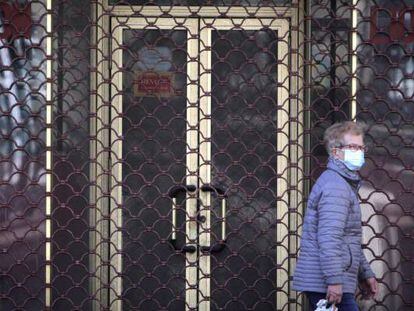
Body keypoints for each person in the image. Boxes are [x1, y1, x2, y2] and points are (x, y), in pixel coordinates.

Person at [292, 121, 378, 310]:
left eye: (361, 147)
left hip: (334, 280)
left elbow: (348, 240)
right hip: (327, 283)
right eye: (353, 147)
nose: (359, 152)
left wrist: (365, 273)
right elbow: (329, 238)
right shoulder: (336, 186)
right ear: (335, 151)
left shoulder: (342, 183)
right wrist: (334, 281)